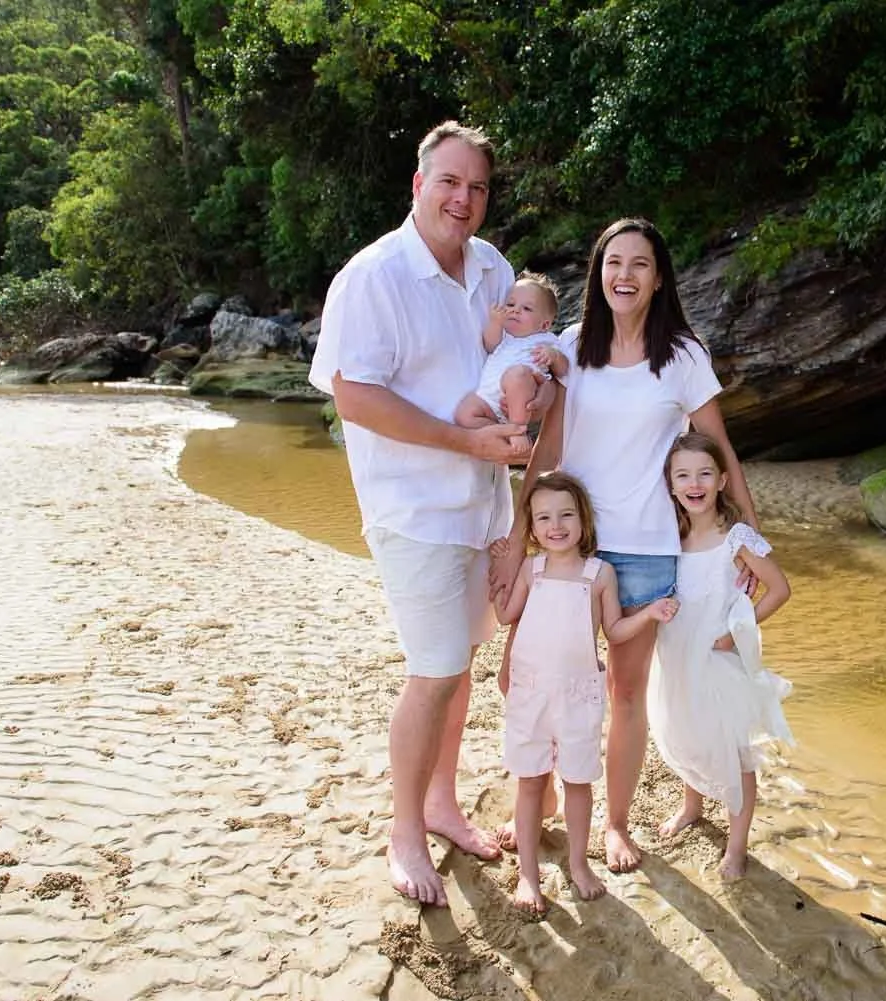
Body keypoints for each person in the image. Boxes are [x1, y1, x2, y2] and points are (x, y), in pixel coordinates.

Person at [308, 120, 547, 908]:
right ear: (418, 184)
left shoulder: (494, 269)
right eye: (449, 181)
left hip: (484, 505)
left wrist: (535, 401)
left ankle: (442, 802)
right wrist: (462, 440)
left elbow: (517, 358)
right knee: (436, 670)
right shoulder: (372, 277)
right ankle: (405, 830)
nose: (462, 198)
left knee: (462, 662)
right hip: (413, 507)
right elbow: (354, 396)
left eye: (477, 187)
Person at [489, 217, 757, 873]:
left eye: (639, 264)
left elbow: (719, 449)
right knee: (538, 676)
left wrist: (748, 539)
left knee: (624, 694)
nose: (625, 275)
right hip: (567, 545)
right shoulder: (572, 345)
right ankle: (544, 796)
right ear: (598, 272)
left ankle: (613, 823)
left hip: (645, 548)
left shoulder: (683, 356)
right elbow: (549, 447)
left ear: (659, 277)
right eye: (614, 262)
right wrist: (517, 536)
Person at [494, 471, 678, 915]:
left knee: (578, 781)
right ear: (532, 526)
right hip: (531, 693)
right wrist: (495, 572)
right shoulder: (531, 569)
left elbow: (614, 631)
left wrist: (649, 613)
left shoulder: (599, 574)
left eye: (566, 515)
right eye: (544, 518)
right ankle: (528, 875)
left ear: (584, 520)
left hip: (578, 695)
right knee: (530, 780)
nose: (556, 525)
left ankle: (578, 863)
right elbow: (505, 616)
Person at [651, 432, 793, 880]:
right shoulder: (670, 535)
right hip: (675, 653)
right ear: (670, 484)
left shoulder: (736, 538)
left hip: (716, 658)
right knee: (686, 729)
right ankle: (691, 805)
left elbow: (780, 589)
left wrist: (736, 633)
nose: (694, 484)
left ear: (722, 480)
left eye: (704, 474)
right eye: (683, 476)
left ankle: (736, 846)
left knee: (732, 750)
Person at [453, 272, 567, 453]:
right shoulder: (505, 336)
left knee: (518, 374)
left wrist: (554, 356)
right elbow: (490, 345)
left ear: (544, 325)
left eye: (526, 308)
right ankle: (502, 433)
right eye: (511, 304)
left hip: (520, 396)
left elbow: (564, 371)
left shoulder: (546, 340)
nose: (515, 310)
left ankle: (517, 429)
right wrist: (495, 323)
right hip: (488, 398)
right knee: (464, 414)